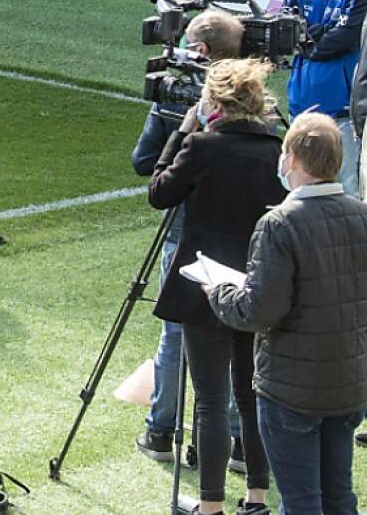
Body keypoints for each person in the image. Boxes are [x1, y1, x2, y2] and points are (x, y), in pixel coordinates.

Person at [206, 112, 367, 515]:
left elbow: (260, 311)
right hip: (348, 383)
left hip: (292, 390)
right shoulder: (361, 215)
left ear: (292, 158)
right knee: (338, 496)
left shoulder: (279, 224)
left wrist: (218, 291)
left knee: (300, 502)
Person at [149, 58, 286, 515]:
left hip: (205, 283)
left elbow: (160, 193)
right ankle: (257, 498)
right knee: (252, 397)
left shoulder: (203, 146)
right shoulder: (277, 149)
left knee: (211, 400)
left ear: (216, 101)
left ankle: (209, 506)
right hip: (257, 284)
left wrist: (180, 135)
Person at [132, 11, 245, 467]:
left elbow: (145, 166)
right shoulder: (258, 111)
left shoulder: (172, 102)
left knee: (176, 331)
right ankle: (237, 440)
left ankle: (161, 432)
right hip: (241, 234)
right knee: (239, 332)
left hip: (186, 227)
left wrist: (183, 128)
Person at [284, 0, 364, 197]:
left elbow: (342, 40)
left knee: (347, 193)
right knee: (293, 191)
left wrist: (308, 37)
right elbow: (285, 36)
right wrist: (319, 35)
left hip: (339, 112)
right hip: (300, 108)